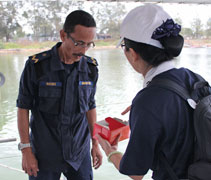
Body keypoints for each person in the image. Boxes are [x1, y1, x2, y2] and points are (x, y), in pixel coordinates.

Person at [96, 4, 197, 180]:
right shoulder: (194, 78)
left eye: (124, 47)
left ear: (132, 53)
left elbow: (136, 172)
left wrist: (109, 150)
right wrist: (143, 111)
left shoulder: (148, 102)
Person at [17, 10, 102, 180]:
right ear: (63, 35)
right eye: (79, 43)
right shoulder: (36, 66)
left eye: (89, 44)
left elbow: (90, 106)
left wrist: (96, 143)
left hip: (79, 153)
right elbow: (23, 108)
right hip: (44, 155)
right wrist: (26, 150)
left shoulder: (90, 68)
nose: (83, 50)